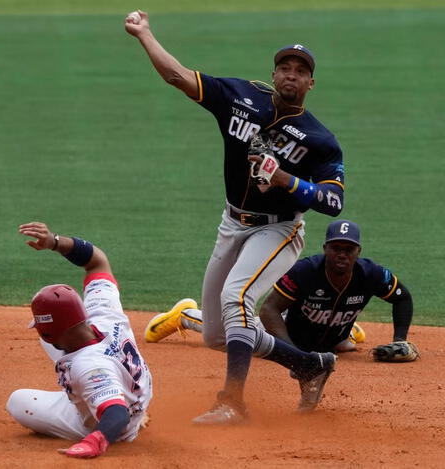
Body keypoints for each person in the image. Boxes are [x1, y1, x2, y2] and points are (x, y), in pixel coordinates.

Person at [126, 11, 345, 423]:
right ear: (274, 72)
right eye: (285, 68)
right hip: (232, 224)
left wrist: (285, 180)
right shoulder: (239, 97)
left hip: (278, 229)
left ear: (311, 83)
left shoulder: (320, 140)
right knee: (216, 335)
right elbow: (176, 76)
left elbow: (333, 202)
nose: (291, 76)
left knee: (237, 298)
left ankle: (232, 402)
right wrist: (144, 34)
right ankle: (309, 364)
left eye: (301, 71)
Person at [146, 220, 415, 359]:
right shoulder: (307, 270)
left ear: (358, 252)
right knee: (240, 333)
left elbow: (403, 298)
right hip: (281, 330)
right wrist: (291, 353)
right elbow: (269, 310)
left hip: (326, 336)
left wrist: (400, 339)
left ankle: (339, 330)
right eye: (336, 248)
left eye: (348, 249)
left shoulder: (371, 274)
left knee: (342, 346)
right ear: (325, 249)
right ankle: (186, 315)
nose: (342, 254)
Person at [6, 222, 152, 459]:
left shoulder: (88, 367)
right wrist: (54, 242)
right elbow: (97, 261)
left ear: (50, 331)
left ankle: (99, 415)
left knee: (18, 402)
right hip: (132, 387)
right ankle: (108, 396)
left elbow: (117, 414)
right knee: (72, 358)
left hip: (114, 424)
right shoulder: (104, 311)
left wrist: (94, 442)